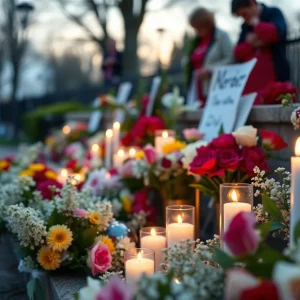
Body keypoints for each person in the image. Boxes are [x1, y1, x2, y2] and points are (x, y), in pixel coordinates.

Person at [232, 0, 290, 104]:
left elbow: (276, 33)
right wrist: (250, 44)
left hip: (275, 80)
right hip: (252, 86)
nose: (244, 18)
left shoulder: (273, 13)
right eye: (241, 16)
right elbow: (237, 52)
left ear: (252, 3)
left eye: (245, 14)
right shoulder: (245, 26)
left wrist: (257, 25)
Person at [186, 8, 233, 106]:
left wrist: (210, 70)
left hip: (214, 88)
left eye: (199, 27)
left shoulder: (221, 36)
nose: (196, 31)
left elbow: (231, 59)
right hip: (197, 89)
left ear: (206, 24)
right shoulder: (196, 42)